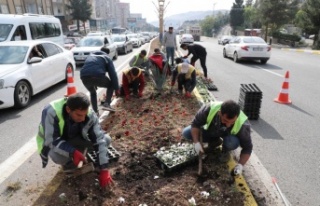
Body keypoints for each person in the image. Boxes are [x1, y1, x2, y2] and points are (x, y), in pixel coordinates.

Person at [36, 92, 114, 188]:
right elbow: (52, 140)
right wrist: (73, 152)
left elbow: (99, 139)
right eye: (78, 115)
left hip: (74, 138)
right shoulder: (51, 111)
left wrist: (104, 169)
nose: (82, 118)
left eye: (84, 115)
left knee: (106, 140)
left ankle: (81, 156)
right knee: (59, 157)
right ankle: (69, 165)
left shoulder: (89, 114)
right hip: (54, 142)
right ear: (68, 109)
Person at [182, 100, 252, 176]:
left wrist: (240, 165)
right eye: (225, 120)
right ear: (219, 113)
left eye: (232, 122)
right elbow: (195, 124)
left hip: (228, 137)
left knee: (231, 142)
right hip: (212, 130)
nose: (228, 125)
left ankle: (225, 151)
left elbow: (248, 147)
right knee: (187, 133)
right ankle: (215, 141)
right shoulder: (209, 109)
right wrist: (196, 142)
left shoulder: (243, 125)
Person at [80, 47, 119, 113]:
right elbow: (113, 74)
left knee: (93, 93)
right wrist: (116, 88)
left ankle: (95, 111)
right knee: (111, 85)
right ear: (107, 53)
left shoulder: (90, 56)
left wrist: (94, 84)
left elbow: (89, 68)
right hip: (97, 76)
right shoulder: (107, 58)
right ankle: (107, 104)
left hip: (84, 77)